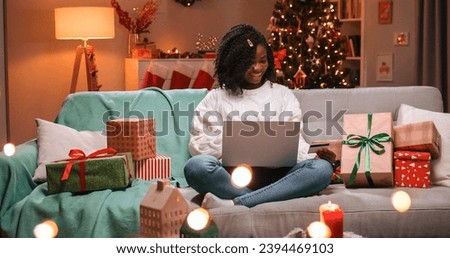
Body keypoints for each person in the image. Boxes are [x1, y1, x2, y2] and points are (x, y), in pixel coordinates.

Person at [184, 24, 336, 209]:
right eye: (249, 62)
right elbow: (198, 145)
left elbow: (296, 144)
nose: (257, 68)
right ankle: (262, 198)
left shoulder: (283, 95)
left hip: (281, 175)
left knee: (322, 170)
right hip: (232, 178)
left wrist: (316, 158)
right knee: (195, 167)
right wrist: (235, 144)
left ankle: (239, 202)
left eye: (262, 60)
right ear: (234, 63)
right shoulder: (216, 98)